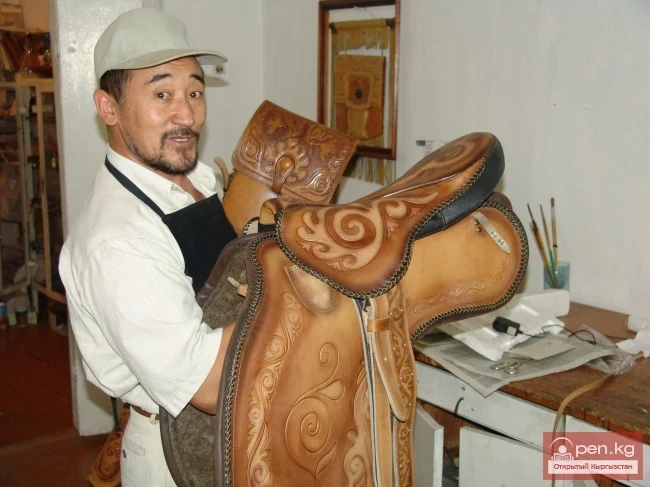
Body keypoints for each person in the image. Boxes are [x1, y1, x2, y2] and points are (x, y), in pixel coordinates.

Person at [58, 8, 237, 486]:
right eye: (162, 94)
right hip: (175, 450)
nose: (187, 115)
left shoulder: (197, 179)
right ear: (108, 108)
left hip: (240, 428)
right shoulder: (118, 241)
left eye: (194, 92)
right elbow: (208, 385)